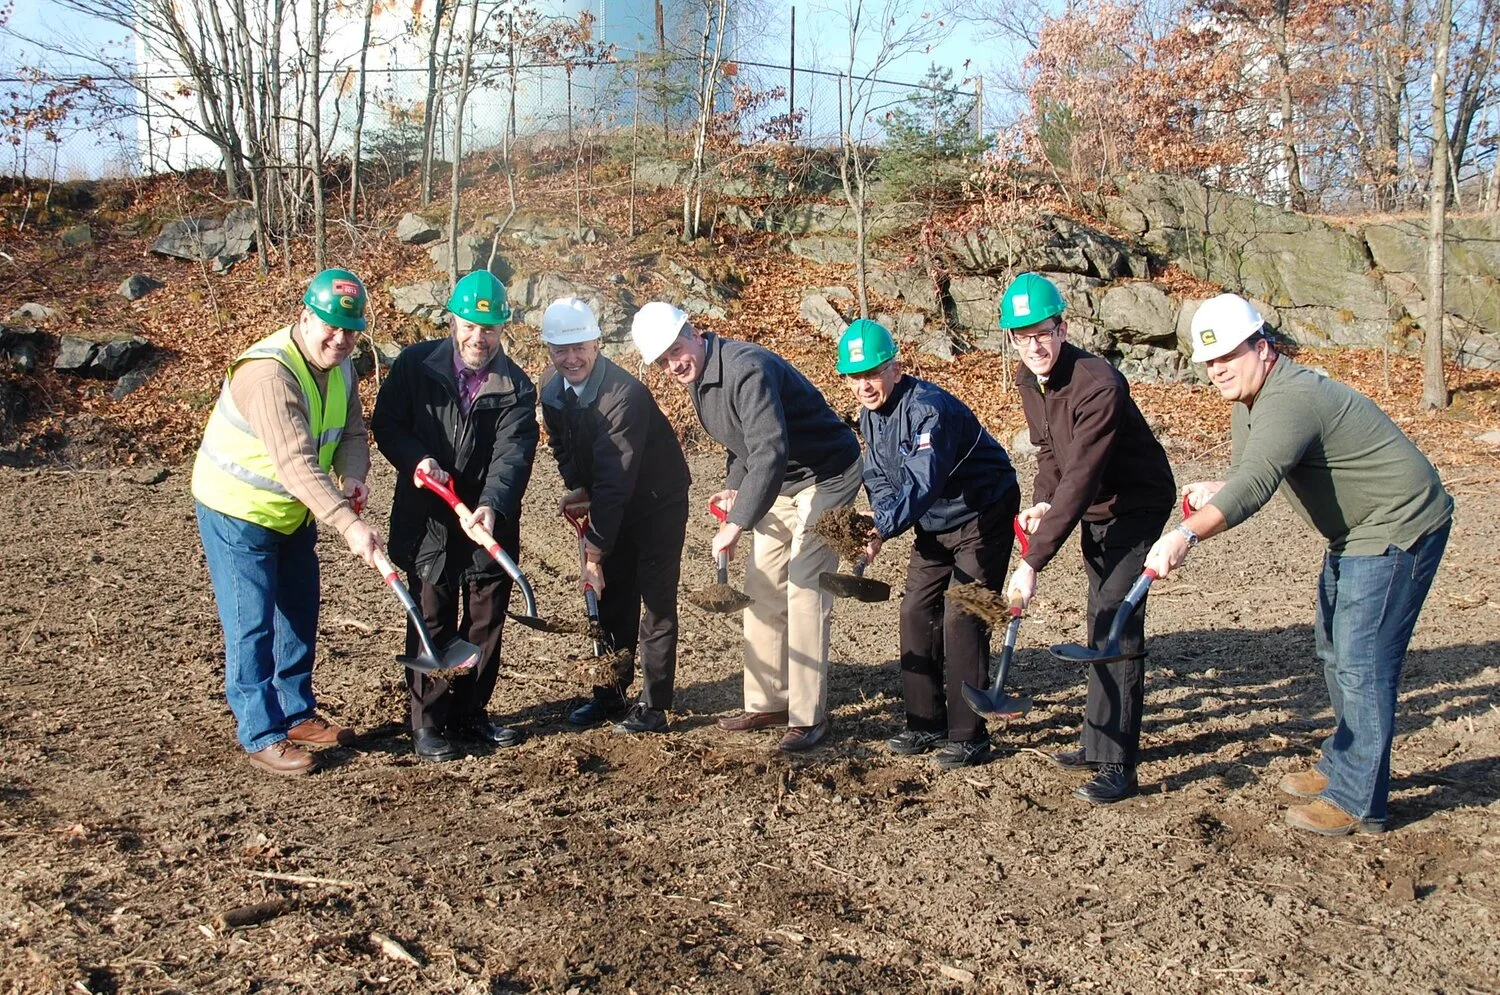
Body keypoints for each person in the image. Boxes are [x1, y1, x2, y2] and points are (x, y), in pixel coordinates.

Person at [1145, 293, 1453, 836]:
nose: (1218, 370)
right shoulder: (1249, 402)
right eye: (1209, 361)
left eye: (1229, 356)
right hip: (1354, 532)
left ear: (1262, 348)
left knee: (1362, 663)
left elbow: (1257, 485)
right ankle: (1343, 763)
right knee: (1335, 650)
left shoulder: (1289, 397)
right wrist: (1218, 486)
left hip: (1397, 524)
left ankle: (1359, 801)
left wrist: (1185, 534)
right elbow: (1251, 469)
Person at [630, 302, 862, 752]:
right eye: (662, 361)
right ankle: (768, 702)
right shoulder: (700, 380)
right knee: (762, 586)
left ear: (693, 332)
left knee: (805, 585)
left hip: (827, 475)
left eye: (675, 350)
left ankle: (808, 717)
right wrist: (735, 490)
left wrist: (737, 524)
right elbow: (741, 446)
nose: (673, 365)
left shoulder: (746, 368)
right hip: (780, 482)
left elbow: (770, 450)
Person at [192, 268, 381, 776]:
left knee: (298, 610)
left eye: (351, 331)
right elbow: (295, 463)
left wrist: (354, 475)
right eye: (331, 327)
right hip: (237, 510)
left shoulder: (341, 367)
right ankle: (261, 732)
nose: (340, 340)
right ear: (306, 317)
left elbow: (353, 432)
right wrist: (348, 523)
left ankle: (296, 713)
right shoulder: (269, 375)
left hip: (292, 513)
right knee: (251, 622)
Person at [999, 273, 1177, 804]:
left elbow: (1081, 475)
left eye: (1043, 332)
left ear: (1063, 328)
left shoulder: (1099, 384)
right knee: (1099, 612)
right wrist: (1041, 500)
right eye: (1022, 335)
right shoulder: (1030, 379)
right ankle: (1097, 741)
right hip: (1095, 505)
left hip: (1135, 501)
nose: (1034, 345)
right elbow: (1051, 455)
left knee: (1116, 617)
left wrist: (1032, 562)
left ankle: (1118, 763)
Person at [370, 270, 538, 763]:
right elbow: (387, 423)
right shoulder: (415, 365)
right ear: (452, 321)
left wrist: (492, 505)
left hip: (487, 519)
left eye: (488, 329)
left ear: (502, 329)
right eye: (469, 326)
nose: (477, 337)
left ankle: (469, 713)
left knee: (486, 620)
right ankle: (427, 722)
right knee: (432, 616)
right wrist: (417, 459)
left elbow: (513, 454)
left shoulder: (516, 386)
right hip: (429, 518)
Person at [837, 320, 1021, 770]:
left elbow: (923, 480)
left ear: (896, 369)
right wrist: (878, 524)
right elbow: (879, 477)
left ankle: (969, 735)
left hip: (983, 512)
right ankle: (925, 723)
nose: (864, 385)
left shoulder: (928, 410)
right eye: (855, 377)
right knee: (915, 610)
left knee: (964, 613)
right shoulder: (869, 415)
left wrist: (884, 527)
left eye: (873, 373)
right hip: (934, 522)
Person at [538, 297, 691, 734]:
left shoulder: (624, 396)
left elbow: (615, 481)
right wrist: (578, 486)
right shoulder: (550, 389)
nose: (571, 358)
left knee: (655, 601)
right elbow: (561, 446)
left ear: (597, 344)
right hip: (611, 496)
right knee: (611, 599)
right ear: (549, 350)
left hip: (658, 503)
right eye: (561, 349)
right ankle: (610, 695)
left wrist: (593, 554)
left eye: (580, 347)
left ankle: (654, 705)